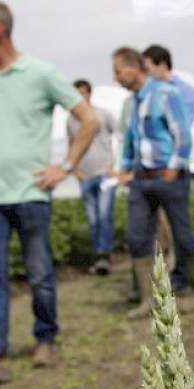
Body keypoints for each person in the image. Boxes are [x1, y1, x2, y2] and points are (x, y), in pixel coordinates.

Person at [0, 1, 98, 385]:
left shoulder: (41, 74)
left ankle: (46, 340)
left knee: (40, 273)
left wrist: (66, 166)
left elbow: (88, 119)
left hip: (30, 192)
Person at [112, 46, 194, 319]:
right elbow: (132, 140)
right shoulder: (133, 103)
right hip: (142, 180)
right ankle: (148, 299)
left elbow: (183, 136)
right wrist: (125, 169)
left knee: (182, 234)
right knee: (136, 236)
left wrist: (174, 167)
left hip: (168, 176)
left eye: (118, 71)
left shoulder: (167, 94)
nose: (116, 77)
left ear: (134, 68)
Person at [143, 44, 194, 290]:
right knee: (159, 229)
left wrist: (174, 166)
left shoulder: (183, 91)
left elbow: (182, 130)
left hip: (174, 169)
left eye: (148, 67)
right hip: (153, 171)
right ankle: (167, 275)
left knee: (180, 228)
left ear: (161, 64)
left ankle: (188, 277)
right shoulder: (148, 92)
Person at [69, 79, 118, 275]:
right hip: (85, 175)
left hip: (105, 173)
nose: (80, 97)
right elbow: (71, 145)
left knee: (104, 215)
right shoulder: (71, 120)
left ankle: (104, 256)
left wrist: (114, 166)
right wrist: (74, 169)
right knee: (93, 219)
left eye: (83, 93)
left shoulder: (103, 114)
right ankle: (99, 256)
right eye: (77, 94)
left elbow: (119, 136)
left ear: (90, 93)